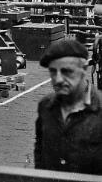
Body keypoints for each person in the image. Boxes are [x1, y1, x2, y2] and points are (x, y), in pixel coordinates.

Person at [34, 38, 102, 175]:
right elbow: (40, 152)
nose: (58, 79)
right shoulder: (45, 107)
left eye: (66, 71)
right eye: (53, 71)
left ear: (84, 69)